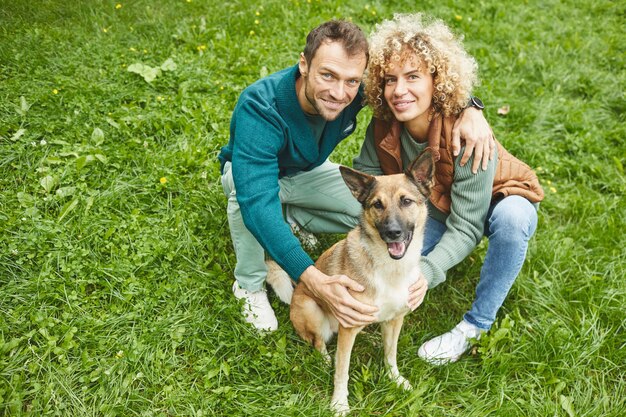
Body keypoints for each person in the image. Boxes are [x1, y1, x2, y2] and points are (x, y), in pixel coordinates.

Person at [218, 19, 494, 332]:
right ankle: (249, 283)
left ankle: (291, 218)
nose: (338, 92)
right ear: (304, 64)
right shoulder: (259, 107)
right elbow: (257, 200)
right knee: (248, 201)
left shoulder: (355, 90)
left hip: (306, 174)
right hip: (250, 177)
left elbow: (411, 85)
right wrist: (313, 279)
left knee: (374, 213)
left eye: (351, 81)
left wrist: (472, 107)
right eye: (327, 75)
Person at [353, 13, 544, 364]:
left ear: (435, 81)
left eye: (413, 77)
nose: (399, 90)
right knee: (398, 255)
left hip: (496, 199)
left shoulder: (468, 134)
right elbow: (366, 178)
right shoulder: (383, 124)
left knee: (514, 220)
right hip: (440, 205)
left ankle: (475, 325)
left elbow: (468, 225)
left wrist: (425, 272)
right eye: (390, 79)